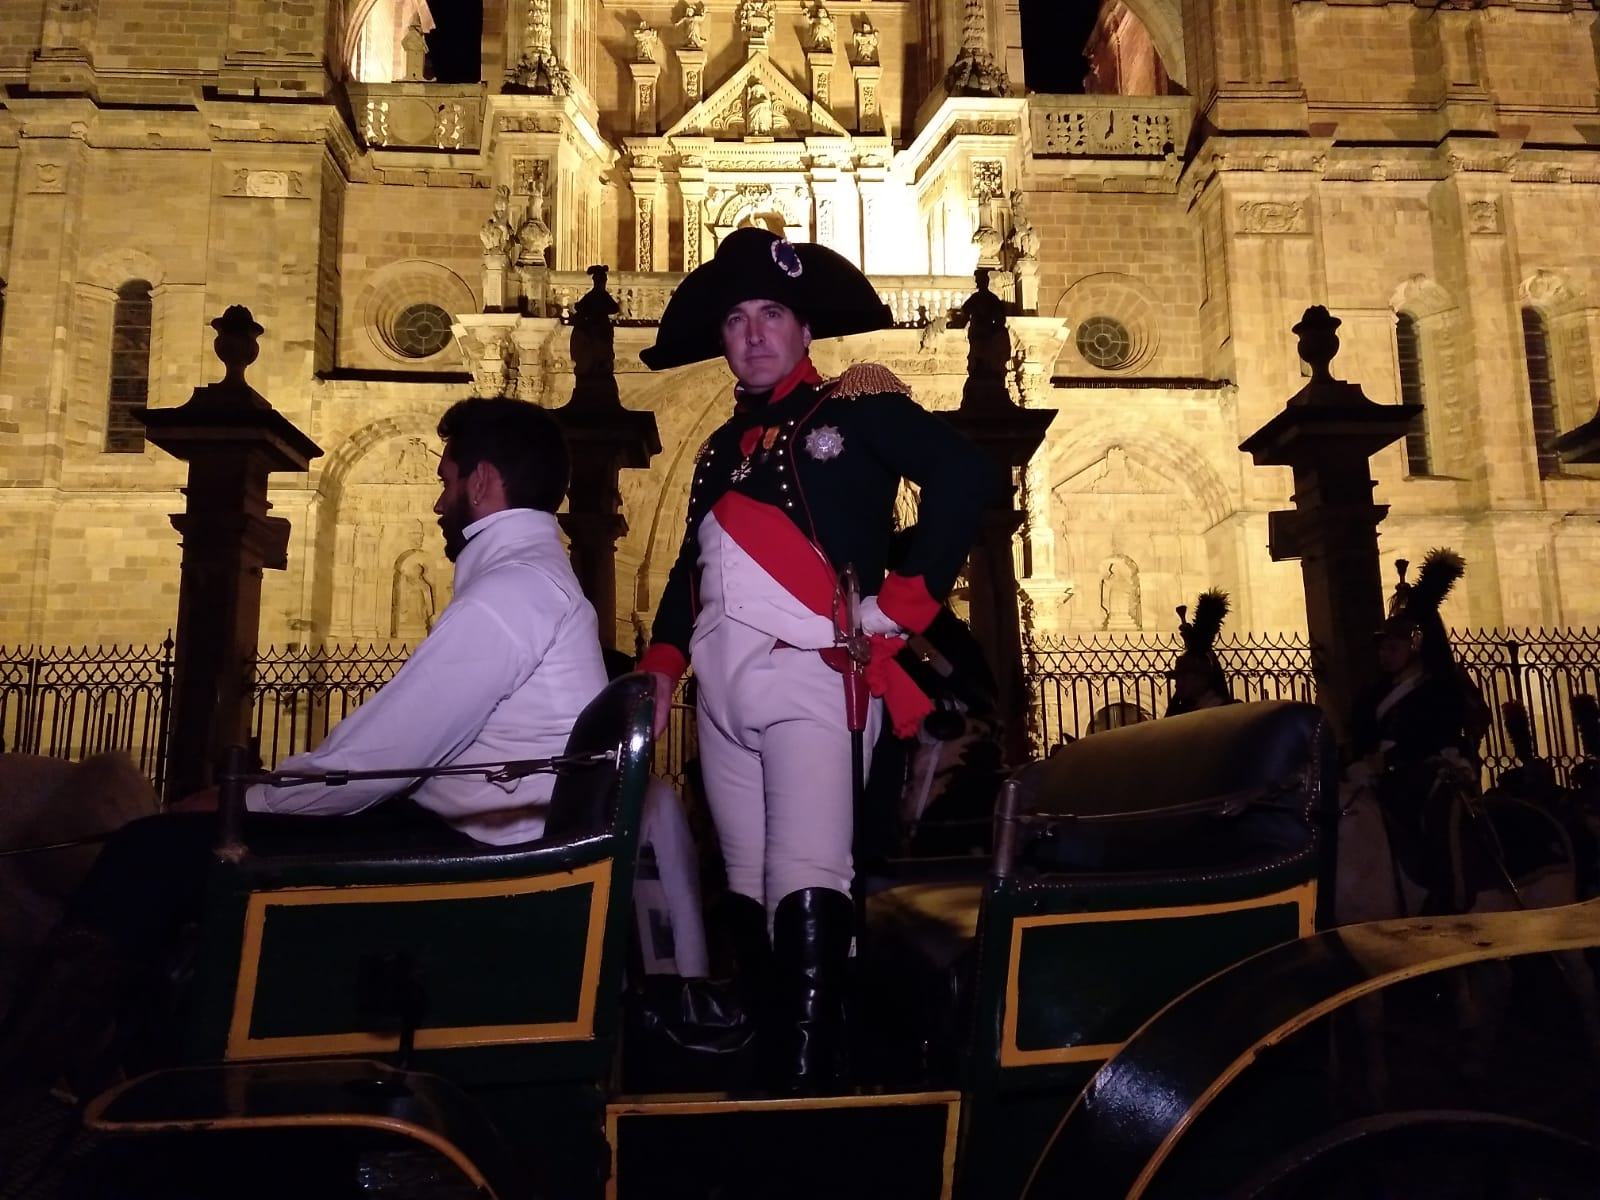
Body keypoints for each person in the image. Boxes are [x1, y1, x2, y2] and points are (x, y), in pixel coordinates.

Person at [0, 397, 609, 1098]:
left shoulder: (509, 593)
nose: (439, 505)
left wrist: (240, 797)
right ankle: (128, 1053)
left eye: (444, 482)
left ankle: (33, 1069)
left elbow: (376, 763)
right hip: (476, 833)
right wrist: (270, 789)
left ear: (480, 483)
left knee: (150, 850)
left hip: (477, 852)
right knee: (175, 853)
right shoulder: (531, 580)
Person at [636, 227, 995, 1093]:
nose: (753, 333)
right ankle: (770, 1063)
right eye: (736, 319)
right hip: (720, 687)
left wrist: (903, 607)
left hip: (815, 671)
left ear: (804, 332)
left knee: (808, 870)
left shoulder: (857, 405)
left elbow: (966, 477)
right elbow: (695, 565)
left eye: (772, 314)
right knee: (751, 882)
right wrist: (660, 668)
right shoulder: (721, 447)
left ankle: (806, 1085)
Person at [1345, 549, 1487, 914]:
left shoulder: (1438, 689)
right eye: (1382, 647)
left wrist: (1387, 760)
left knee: (1440, 816)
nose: (1384, 654)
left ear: (1415, 647)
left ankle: (1449, 895)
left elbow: (1435, 733)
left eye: (1393, 647)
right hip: (1376, 774)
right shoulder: (1375, 693)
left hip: (1426, 771)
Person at [1164, 589, 1238, 716]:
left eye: (1183, 678)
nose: (1177, 685)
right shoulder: (1187, 710)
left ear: (1200, 679)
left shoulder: (1223, 713)